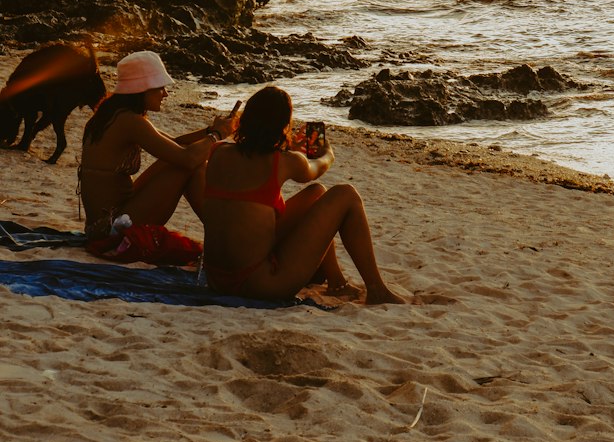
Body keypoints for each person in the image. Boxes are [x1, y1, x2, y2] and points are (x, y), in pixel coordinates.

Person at [202, 85, 404, 304]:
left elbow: (255, 156)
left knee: (317, 194)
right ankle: (377, 290)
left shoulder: (218, 151)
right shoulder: (285, 162)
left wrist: (287, 147)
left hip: (216, 279)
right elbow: (318, 167)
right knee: (346, 194)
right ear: (283, 125)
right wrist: (327, 151)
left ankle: (337, 282)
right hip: (259, 284)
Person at [78, 50, 236, 239]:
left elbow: (174, 144)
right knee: (190, 167)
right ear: (143, 89)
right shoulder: (130, 122)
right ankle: (226, 236)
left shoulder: (114, 114)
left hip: (106, 220)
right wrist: (218, 134)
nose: (166, 94)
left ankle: (224, 232)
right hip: (111, 227)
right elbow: (188, 159)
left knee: (178, 160)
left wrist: (210, 130)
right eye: (160, 87)